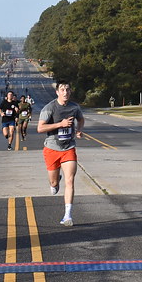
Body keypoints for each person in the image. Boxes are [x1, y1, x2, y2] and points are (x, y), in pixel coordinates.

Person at [37, 82, 85, 227]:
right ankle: (55, 179)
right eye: (62, 90)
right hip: (52, 148)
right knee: (54, 184)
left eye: (68, 89)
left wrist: (78, 130)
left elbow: (81, 119)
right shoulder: (49, 108)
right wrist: (60, 124)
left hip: (68, 148)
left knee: (70, 181)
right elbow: (40, 128)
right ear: (57, 92)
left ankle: (67, 215)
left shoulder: (74, 107)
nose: (65, 92)